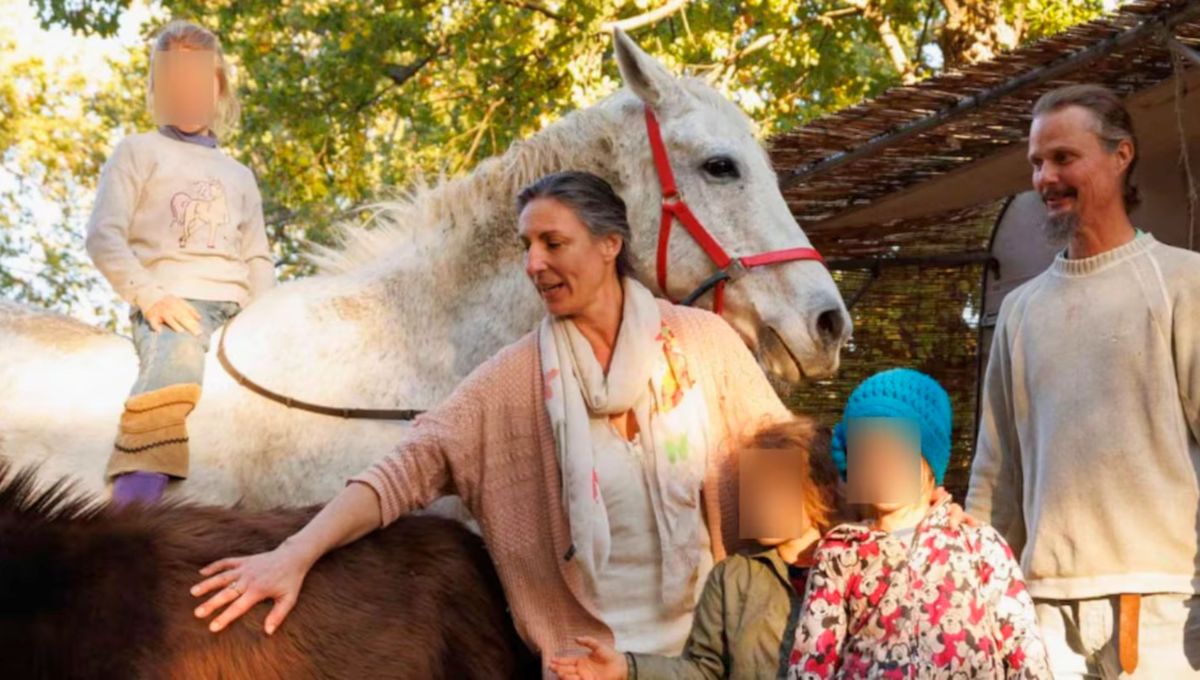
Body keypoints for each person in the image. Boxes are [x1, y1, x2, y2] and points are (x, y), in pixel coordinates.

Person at [187, 170, 794, 674]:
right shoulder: (510, 383)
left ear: (610, 244)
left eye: (553, 243)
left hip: (718, 661)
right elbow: (400, 472)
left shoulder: (703, 344)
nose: (534, 263)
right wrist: (291, 556)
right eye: (526, 246)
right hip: (585, 667)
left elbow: (785, 461)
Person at [967, 83, 1200, 678]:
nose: (1046, 178)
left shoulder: (1181, 284)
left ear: (1121, 156)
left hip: (1162, 605)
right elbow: (996, 471)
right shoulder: (1020, 310)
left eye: (1064, 158)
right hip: (1040, 605)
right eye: (1037, 163)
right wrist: (978, 587)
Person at [85, 19, 274, 505]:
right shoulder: (137, 152)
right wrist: (150, 296)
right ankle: (133, 504)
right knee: (178, 362)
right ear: (156, 90)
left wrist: (269, 315)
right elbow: (104, 236)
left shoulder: (239, 174)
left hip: (240, 307)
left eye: (197, 79)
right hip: (175, 303)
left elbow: (256, 254)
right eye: (174, 81)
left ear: (218, 87)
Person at [789, 369, 1050, 679]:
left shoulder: (977, 544)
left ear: (929, 459)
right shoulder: (840, 553)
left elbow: (1024, 647)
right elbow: (812, 661)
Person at [546, 416, 841, 680]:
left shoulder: (855, 567)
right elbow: (703, 670)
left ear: (819, 492)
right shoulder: (731, 578)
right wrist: (626, 668)